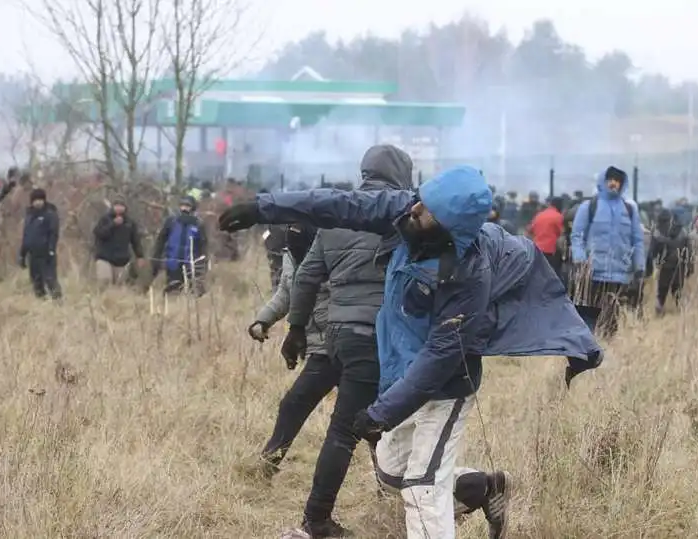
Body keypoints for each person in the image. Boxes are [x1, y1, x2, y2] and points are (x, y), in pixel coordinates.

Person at [219, 165, 602, 539]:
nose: (414, 208)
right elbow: (338, 204)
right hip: (400, 374)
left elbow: (441, 355)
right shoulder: (405, 210)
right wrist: (263, 207)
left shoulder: (469, 275)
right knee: (390, 472)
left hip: (445, 387)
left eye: (426, 208)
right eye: (419, 199)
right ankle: (479, 488)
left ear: (448, 224)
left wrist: (383, 413)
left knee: (422, 484)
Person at [270, 144, 414, 537]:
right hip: (376, 336)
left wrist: (296, 329)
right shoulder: (402, 217)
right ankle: (316, 520)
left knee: (346, 413)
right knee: (347, 430)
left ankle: (388, 493)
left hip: (336, 334)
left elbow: (306, 276)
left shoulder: (336, 219)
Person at [248, 223, 336, 480]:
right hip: (315, 343)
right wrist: (263, 320)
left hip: (337, 343)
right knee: (296, 406)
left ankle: (266, 467)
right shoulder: (291, 252)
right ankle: (267, 466)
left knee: (295, 404)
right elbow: (287, 292)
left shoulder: (333, 251)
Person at [570, 166, 645, 338]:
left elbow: (638, 240)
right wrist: (580, 259)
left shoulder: (630, 209)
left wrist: (639, 265)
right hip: (593, 272)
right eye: (610, 179)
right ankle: (589, 346)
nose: (613, 183)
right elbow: (577, 236)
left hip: (620, 273)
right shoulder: (589, 206)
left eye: (617, 180)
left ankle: (607, 346)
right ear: (603, 181)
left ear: (621, 183)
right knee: (591, 311)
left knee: (612, 312)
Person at [150, 196, 208, 296]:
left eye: (187, 206)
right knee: (172, 290)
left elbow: (203, 245)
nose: (184, 208)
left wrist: (202, 262)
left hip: (191, 263)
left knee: (194, 292)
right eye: (182, 205)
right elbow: (161, 240)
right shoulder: (171, 221)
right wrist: (156, 258)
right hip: (173, 261)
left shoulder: (198, 224)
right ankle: (172, 309)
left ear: (193, 208)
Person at [645, 209, 692, 315]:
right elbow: (689, 251)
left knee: (663, 291)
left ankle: (661, 312)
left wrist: (650, 267)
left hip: (665, 266)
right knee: (677, 291)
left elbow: (652, 252)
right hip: (678, 265)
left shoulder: (658, 233)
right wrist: (689, 266)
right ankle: (681, 312)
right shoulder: (682, 231)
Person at [18, 188, 62, 300]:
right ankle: (41, 303)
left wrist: (51, 249)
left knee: (50, 279)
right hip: (33, 255)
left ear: (44, 200)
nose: (37, 202)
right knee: (36, 281)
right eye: (35, 200)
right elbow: (26, 236)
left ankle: (58, 301)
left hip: (46, 253)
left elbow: (54, 233)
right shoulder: (29, 216)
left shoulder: (50, 214)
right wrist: (22, 255)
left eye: (40, 199)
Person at [92, 197, 145, 288]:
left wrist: (140, 256)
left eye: (121, 206)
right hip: (104, 257)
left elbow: (135, 240)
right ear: (113, 207)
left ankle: (115, 301)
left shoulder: (130, 223)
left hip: (121, 260)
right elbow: (99, 233)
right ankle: (102, 300)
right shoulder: (105, 219)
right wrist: (113, 224)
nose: (119, 208)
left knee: (119, 285)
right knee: (105, 281)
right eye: (117, 205)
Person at [528, 197, 564, 278]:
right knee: (552, 277)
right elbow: (562, 234)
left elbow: (530, 230)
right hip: (551, 253)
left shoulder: (539, 215)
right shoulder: (558, 217)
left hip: (536, 251)